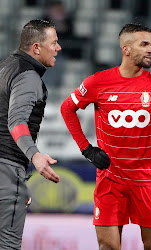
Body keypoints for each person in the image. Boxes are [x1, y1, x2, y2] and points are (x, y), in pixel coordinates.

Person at [60, 23, 151, 249]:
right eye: (144, 44)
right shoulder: (98, 82)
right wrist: (86, 149)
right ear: (125, 49)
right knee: (108, 246)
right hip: (110, 179)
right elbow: (67, 108)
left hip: (148, 181)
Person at [0, 19, 61, 249]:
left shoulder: (4, 67)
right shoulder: (28, 75)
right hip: (6, 170)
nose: (58, 48)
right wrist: (35, 155)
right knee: (7, 244)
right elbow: (16, 121)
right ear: (36, 48)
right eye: (54, 42)